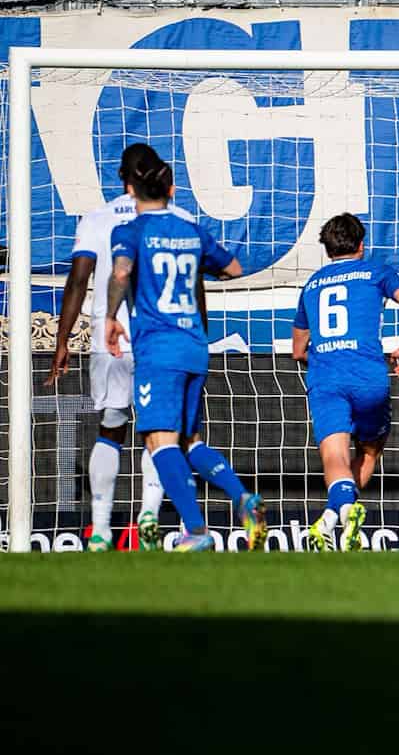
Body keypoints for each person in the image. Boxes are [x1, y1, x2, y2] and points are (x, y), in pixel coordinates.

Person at [105, 150, 257, 553]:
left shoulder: (129, 231)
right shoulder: (192, 231)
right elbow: (234, 268)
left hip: (159, 347)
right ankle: (243, 497)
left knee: (159, 441)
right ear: (170, 189)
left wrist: (109, 316)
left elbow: (121, 272)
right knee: (189, 440)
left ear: (129, 188)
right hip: (195, 344)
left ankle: (196, 528)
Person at [44, 145, 182, 552]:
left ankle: (101, 531)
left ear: (123, 178)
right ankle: (148, 526)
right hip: (160, 339)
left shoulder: (98, 219)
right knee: (159, 432)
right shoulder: (174, 218)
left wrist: (63, 340)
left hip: (112, 338)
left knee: (112, 422)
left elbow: (78, 279)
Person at [291, 214, 399, 552]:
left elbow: (298, 349)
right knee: (370, 448)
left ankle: (339, 513)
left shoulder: (313, 283)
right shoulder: (376, 270)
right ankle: (340, 519)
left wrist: (323, 354)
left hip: (326, 376)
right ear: (361, 244)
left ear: (327, 249)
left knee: (334, 455)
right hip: (368, 375)